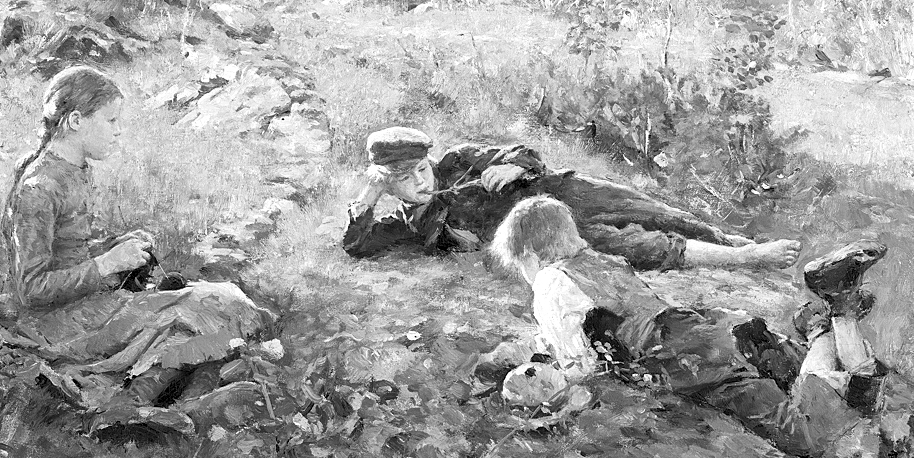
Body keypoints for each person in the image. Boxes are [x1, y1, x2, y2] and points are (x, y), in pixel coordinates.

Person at [486, 195, 891, 458]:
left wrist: (556, 375)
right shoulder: (599, 262)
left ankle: (830, 312)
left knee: (805, 435)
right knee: (831, 387)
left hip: (690, 359)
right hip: (715, 327)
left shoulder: (548, 284)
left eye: (519, 265)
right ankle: (829, 316)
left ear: (528, 255)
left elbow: (581, 366)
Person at [1, 65, 275, 435]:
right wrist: (105, 264)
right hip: (57, 321)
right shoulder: (39, 186)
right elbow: (31, 289)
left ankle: (163, 402)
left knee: (213, 307)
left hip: (85, 302)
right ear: (76, 121)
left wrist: (116, 247)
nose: (118, 131)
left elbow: (69, 251)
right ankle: (129, 406)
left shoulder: (75, 169)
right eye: (111, 120)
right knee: (209, 307)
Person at [343, 127, 801, 273]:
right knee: (626, 243)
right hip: (541, 228)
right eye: (404, 180)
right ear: (388, 184)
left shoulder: (458, 160)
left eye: (422, 169)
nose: (421, 183)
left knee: (649, 209)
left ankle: (731, 240)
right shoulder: (407, 225)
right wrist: (367, 193)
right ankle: (746, 260)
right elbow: (356, 246)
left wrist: (513, 166)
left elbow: (522, 153)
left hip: (560, 190)